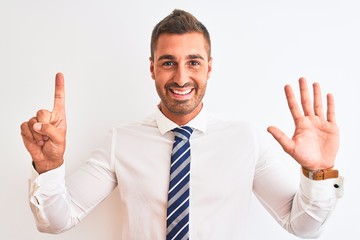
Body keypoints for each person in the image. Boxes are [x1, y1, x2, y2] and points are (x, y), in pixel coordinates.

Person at [21, 9, 343, 239]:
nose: (181, 77)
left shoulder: (246, 140)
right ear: (152, 69)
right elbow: (56, 221)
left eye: (193, 62)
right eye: (168, 63)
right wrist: (49, 167)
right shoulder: (121, 141)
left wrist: (321, 171)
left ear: (209, 67)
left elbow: (303, 227)